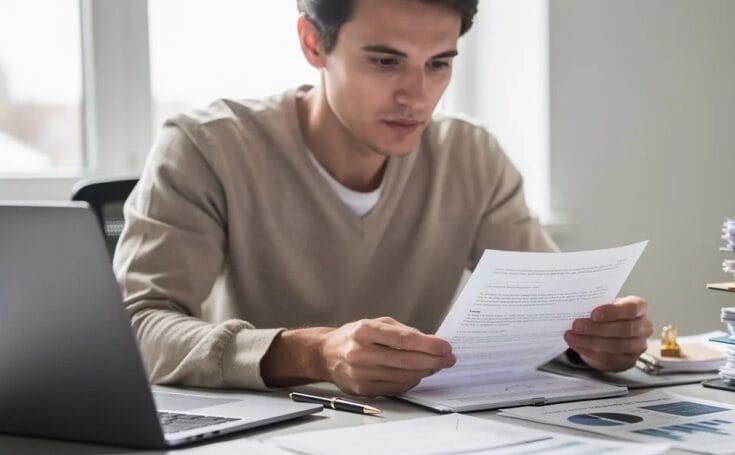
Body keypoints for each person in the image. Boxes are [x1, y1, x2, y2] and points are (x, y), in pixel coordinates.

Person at [114, 0, 654, 397]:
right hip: (255, 444)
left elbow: (549, 312)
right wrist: (313, 353)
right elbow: (135, 326)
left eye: (438, 63)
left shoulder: (470, 155)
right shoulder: (207, 147)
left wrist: (590, 341)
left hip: (417, 441)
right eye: (385, 61)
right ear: (312, 44)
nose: (416, 96)